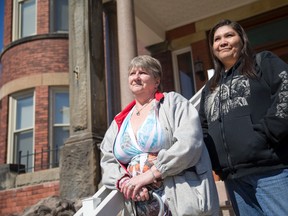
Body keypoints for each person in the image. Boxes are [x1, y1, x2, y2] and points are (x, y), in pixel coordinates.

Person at [100, 55, 219, 216]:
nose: (136, 77)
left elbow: (190, 143)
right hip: (139, 205)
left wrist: (150, 175)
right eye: (132, 73)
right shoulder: (120, 120)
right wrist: (125, 181)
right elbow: (107, 159)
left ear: (156, 81)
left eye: (142, 72)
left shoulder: (173, 103)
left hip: (177, 198)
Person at [199, 19, 288, 216]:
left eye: (229, 35)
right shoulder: (210, 87)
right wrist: (215, 159)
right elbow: (202, 127)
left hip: (271, 170)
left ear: (242, 39)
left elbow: (286, 92)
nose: (222, 42)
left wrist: (266, 134)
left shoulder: (263, 62)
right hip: (234, 179)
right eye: (217, 39)